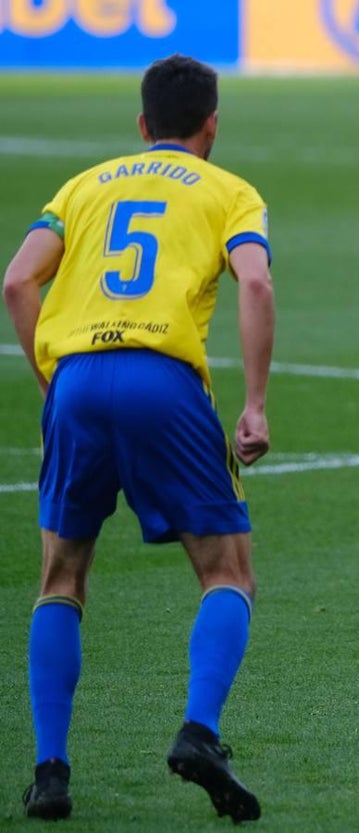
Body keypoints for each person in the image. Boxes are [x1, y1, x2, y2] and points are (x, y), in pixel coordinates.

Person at [3, 54, 274, 820]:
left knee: (61, 579)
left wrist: (53, 380)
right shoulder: (230, 191)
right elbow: (254, 280)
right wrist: (254, 404)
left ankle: (50, 771)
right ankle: (199, 730)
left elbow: (18, 281)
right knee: (228, 573)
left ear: (141, 124)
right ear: (211, 124)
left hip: (79, 380)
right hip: (165, 381)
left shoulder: (83, 186)